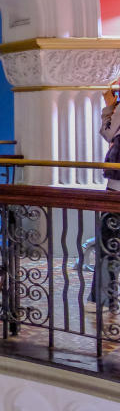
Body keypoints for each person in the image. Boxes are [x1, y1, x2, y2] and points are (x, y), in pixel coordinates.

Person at [92, 81, 120, 312]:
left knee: (110, 239)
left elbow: (108, 132)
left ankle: (103, 296)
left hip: (117, 186)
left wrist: (109, 108)